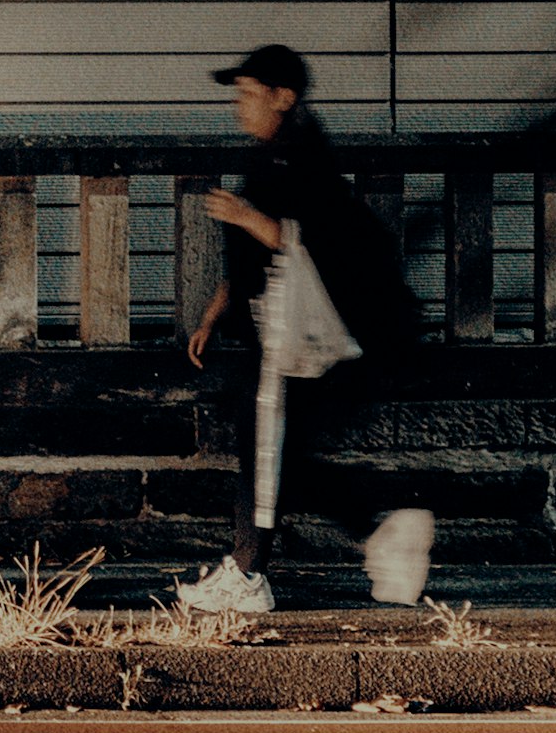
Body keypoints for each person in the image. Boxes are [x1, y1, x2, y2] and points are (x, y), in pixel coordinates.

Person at [176, 43, 428, 615]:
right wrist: (217, 309)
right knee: (271, 450)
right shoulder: (275, 157)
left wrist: (247, 217)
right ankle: (378, 525)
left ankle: (249, 574)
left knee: (264, 444)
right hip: (284, 332)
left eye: (249, 94)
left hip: (305, 339)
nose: (240, 106)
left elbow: (322, 243)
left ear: (283, 97)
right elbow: (258, 258)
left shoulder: (301, 159)